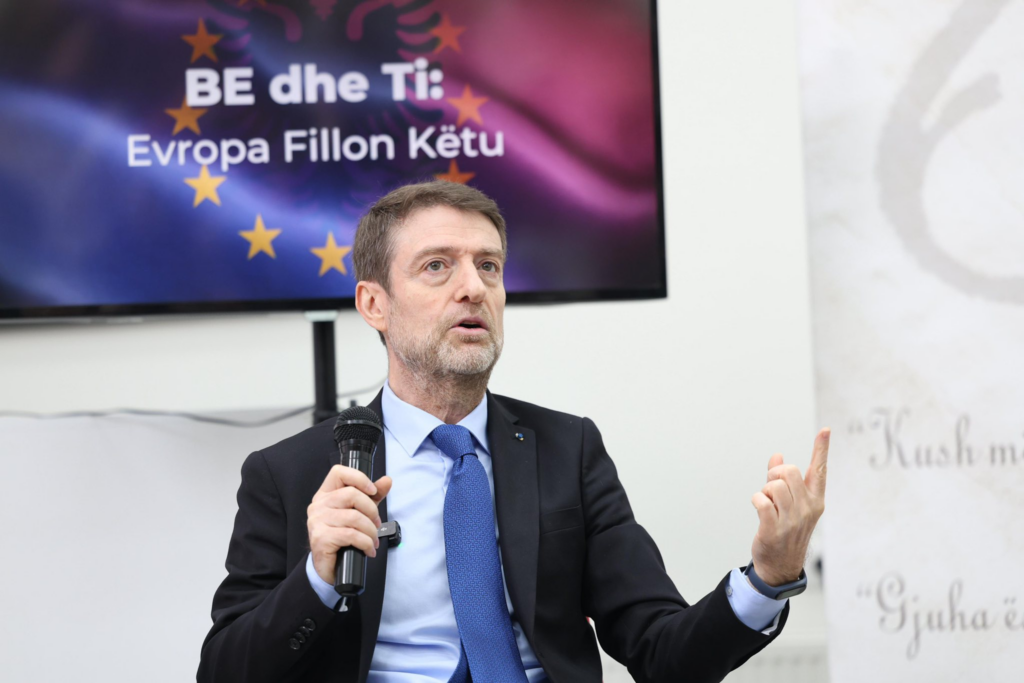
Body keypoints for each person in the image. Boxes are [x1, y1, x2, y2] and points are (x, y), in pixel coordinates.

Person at [197, 181, 829, 683]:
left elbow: (664, 653)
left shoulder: (568, 451)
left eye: (489, 267)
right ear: (374, 304)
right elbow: (224, 671)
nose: (474, 288)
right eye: (437, 266)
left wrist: (767, 579)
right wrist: (315, 579)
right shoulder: (289, 473)